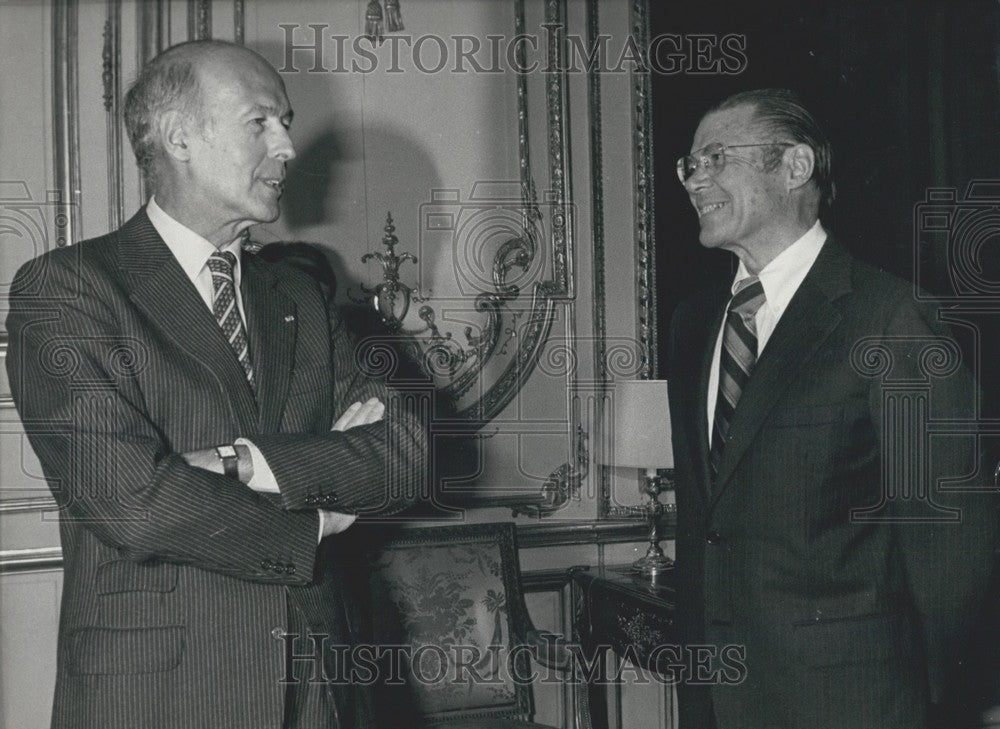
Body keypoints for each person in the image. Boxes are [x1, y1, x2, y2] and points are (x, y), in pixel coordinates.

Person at [5, 40, 426, 729]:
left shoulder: (300, 294)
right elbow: (133, 502)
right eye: (260, 122)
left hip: (318, 687)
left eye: (285, 123)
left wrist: (243, 463)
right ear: (179, 139)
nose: (288, 147)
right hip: (162, 697)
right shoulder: (69, 290)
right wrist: (317, 519)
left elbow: (405, 451)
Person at [666, 88, 998, 729]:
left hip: (851, 700)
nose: (694, 180)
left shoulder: (888, 318)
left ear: (795, 166)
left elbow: (951, 544)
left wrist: (932, 701)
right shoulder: (693, 323)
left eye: (716, 158)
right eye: (689, 165)